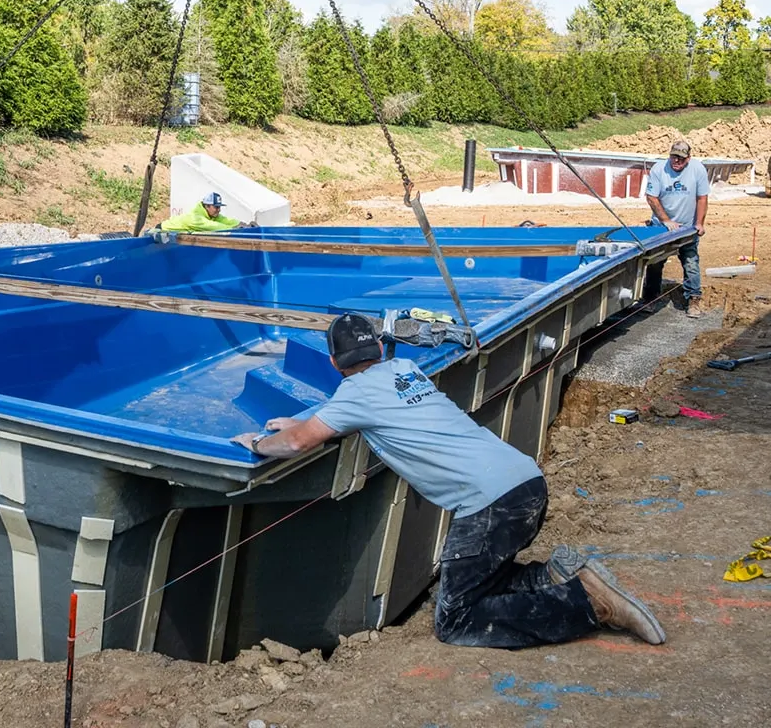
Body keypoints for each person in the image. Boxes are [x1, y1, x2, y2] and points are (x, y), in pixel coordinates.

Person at [232, 313, 666, 649]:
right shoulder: (404, 371)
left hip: (488, 506)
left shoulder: (355, 396)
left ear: (332, 361)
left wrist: (258, 444)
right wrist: (310, 418)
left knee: (457, 620)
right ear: (380, 349)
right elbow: (354, 410)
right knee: (483, 580)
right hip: (528, 483)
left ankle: (588, 606)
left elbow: (297, 444)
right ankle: (553, 575)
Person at [644, 139, 709, 317]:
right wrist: (665, 220)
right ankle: (650, 298)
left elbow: (702, 198)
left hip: (687, 227)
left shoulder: (698, 169)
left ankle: (693, 300)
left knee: (691, 263)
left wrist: (699, 223)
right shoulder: (659, 169)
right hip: (662, 227)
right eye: (674, 157)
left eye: (681, 158)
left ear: (688, 158)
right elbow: (651, 197)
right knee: (655, 263)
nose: (676, 161)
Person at [160, 191, 245, 233]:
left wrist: (243, 224)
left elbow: (226, 220)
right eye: (216, 207)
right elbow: (213, 226)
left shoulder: (212, 215)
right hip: (161, 231)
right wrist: (235, 229)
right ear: (207, 206)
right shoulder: (195, 218)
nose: (219, 209)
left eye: (219, 207)